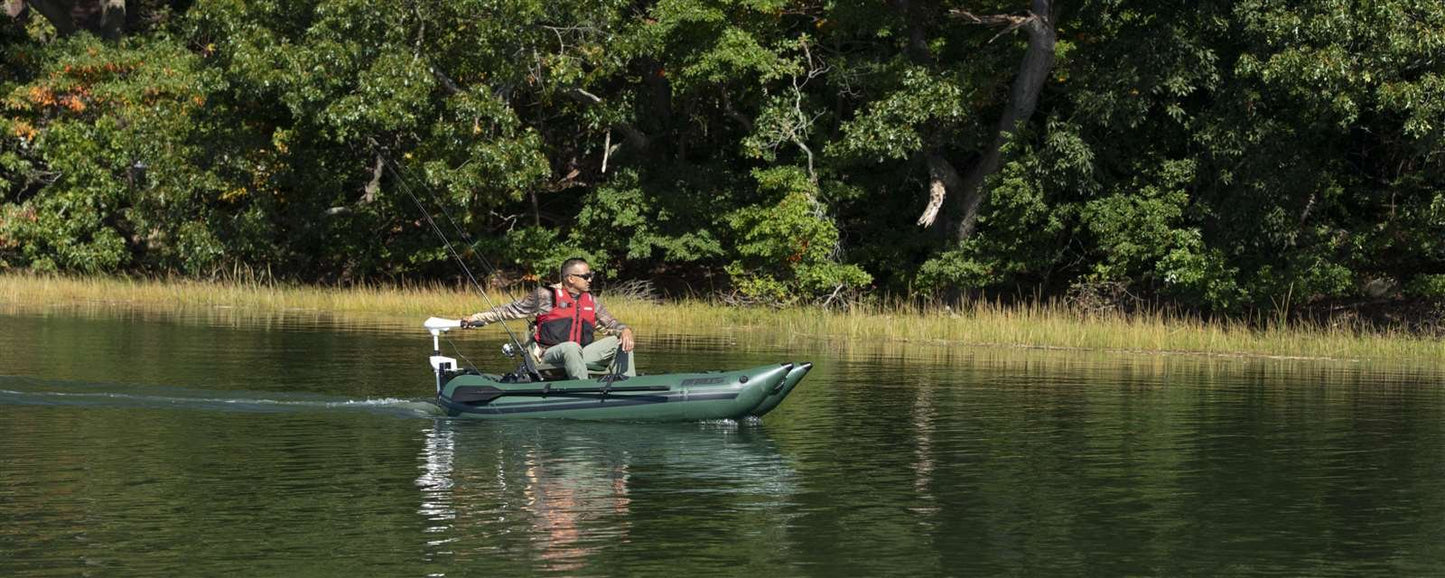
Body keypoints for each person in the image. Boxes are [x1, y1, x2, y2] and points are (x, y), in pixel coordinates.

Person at [464, 258, 636, 381]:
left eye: (591, 275)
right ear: (571, 278)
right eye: (586, 276)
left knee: (620, 340)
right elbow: (509, 311)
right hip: (550, 357)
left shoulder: (591, 300)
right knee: (571, 347)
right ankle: (585, 391)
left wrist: (625, 330)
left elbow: (611, 324)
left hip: (580, 355)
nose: (590, 279)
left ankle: (629, 386)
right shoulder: (546, 295)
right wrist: (477, 318)